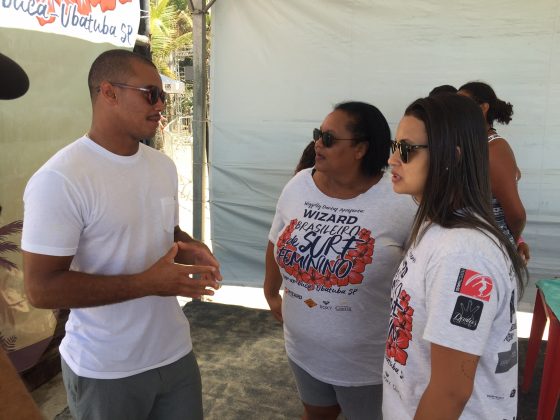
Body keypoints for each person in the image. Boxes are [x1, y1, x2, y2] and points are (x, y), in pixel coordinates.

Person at [21, 49, 222, 420]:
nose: (161, 104)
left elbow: (164, 231)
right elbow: (40, 289)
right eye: (151, 94)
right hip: (106, 369)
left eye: (164, 96)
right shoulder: (60, 179)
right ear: (109, 93)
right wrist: (148, 283)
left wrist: (189, 247)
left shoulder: (161, 166)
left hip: (174, 352)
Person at [264, 101, 416, 420]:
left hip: (366, 366)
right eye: (319, 134)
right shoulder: (299, 185)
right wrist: (269, 292)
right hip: (303, 352)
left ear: (361, 148)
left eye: (330, 138)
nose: (318, 143)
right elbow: (276, 238)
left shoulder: (400, 200)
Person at [383, 93, 527, 419]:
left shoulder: (463, 253)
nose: (392, 159)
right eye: (394, 146)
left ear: (452, 156)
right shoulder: (436, 225)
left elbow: (450, 393)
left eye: (406, 150)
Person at [457, 81, 530, 263]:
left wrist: (512, 241)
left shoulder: (495, 148)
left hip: (491, 252)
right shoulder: (473, 145)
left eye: (461, 105)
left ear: (483, 108)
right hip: (471, 248)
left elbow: (517, 214)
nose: (454, 112)